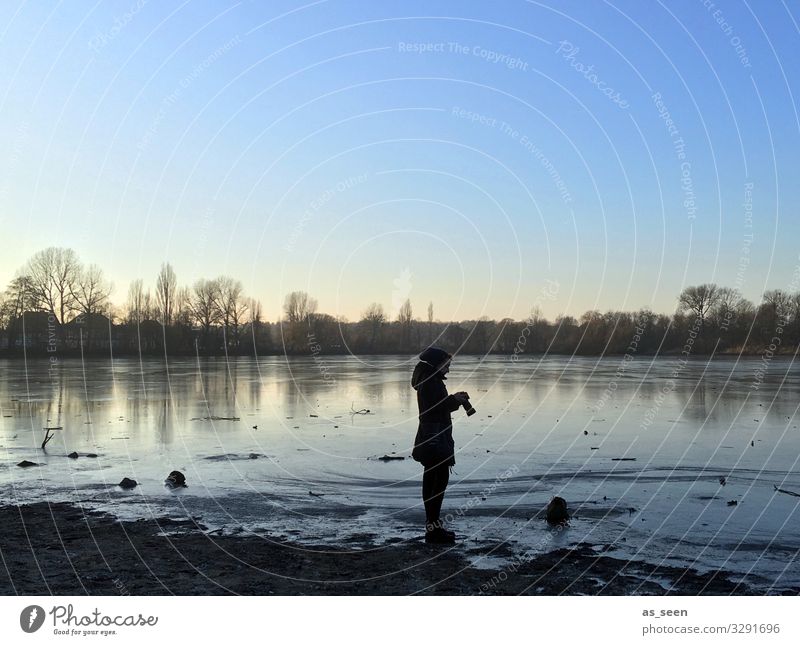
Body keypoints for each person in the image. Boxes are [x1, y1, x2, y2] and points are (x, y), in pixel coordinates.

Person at [411, 347, 470, 544]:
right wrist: (456, 400)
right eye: (447, 365)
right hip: (435, 436)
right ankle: (433, 529)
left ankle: (433, 527)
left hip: (430, 433)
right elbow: (437, 407)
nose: (448, 369)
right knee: (437, 481)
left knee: (432, 478)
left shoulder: (427, 379)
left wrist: (453, 399)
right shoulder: (430, 382)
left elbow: (435, 404)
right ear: (437, 363)